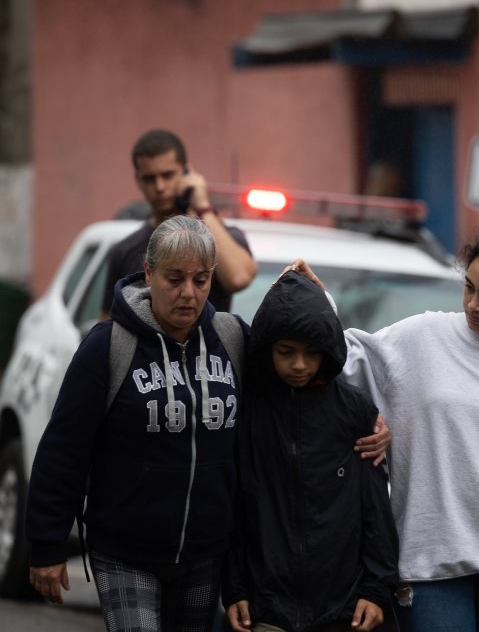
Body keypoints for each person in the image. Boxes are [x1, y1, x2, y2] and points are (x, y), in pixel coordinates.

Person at [25, 216, 390, 631]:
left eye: (201, 280)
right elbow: (63, 449)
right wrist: (47, 544)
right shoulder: (108, 346)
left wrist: (369, 420)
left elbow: (303, 378)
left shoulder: (232, 339)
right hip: (125, 550)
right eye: (174, 278)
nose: (188, 293)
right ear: (148, 273)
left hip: (205, 554)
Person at [290, 226, 479, 632]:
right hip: (427, 554)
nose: (473, 305)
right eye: (469, 287)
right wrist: (316, 303)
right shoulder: (420, 337)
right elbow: (343, 362)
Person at [223, 271, 399, 632]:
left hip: (343, 609)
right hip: (265, 608)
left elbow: (375, 508)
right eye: (286, 352)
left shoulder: (353, 411)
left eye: (311, 353)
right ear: (266, 348)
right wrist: (235, 587)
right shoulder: (247, 410)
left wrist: (377, 589)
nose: (299, 365)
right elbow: (234, 505)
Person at [101, 128, 258, 317]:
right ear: (138, 181)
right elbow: (109, 325)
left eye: (167, 175)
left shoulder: (224, 238)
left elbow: (238, 278)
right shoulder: (124, 250)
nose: (159, 187)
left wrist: (203, 208)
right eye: (150, 178)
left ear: (186, 173)